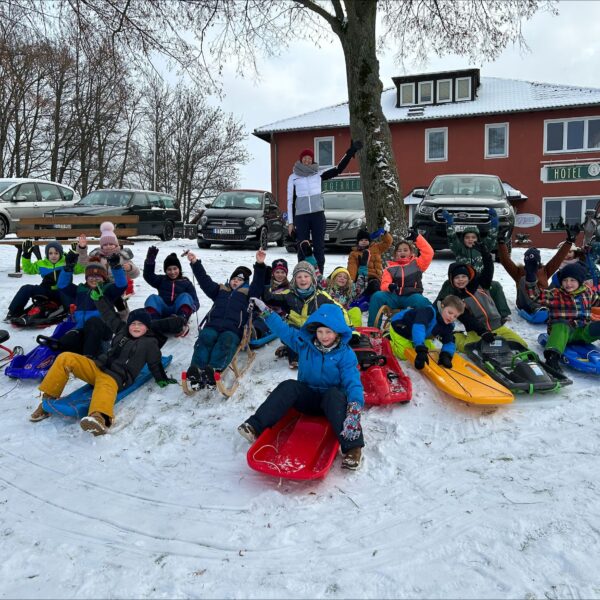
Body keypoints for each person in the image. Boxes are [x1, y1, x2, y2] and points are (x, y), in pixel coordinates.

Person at [238, 300, 364, 470]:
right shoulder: (305, 345)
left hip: (333, 404)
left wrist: (355, 406)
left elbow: (353, 382)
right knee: (289, 385)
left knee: (334, 394)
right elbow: (284, 331)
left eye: (328, 332)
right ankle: (255, 426)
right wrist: (266, 312)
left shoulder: (345, 354)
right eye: (320, 331)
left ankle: (353, 448)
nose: (323, 336)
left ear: (338, 333)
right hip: (309, 398)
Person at [30, 299, 176, 435]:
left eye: (140, 324)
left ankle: (99, 418)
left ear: (147, 327)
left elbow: (155, 363)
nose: (136, 327)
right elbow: (109, 316)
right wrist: (99, 299)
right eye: (133, 324)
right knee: (66, 358)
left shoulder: (150, 344)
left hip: (117, 377)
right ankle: (47, 402)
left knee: (104, 387)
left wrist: (161, 379)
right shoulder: (122, 330)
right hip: (97, 366)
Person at [185, 250, 267, 387]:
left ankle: (214, 368)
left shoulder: (249, 294)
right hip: (212, 325)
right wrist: (195, 263)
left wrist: (259, 264)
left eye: (240, 280)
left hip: (233, 330)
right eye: (234, 279)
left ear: (245, 283)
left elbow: (258, 284)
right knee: (205, 337)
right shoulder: (220, 290)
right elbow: (204, 280)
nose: (236, 282)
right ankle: (197, 368)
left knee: (226, 340)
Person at [287, 141, 363, 274]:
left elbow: (338, 169)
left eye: (309, 158)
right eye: (304, 158)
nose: (307, 160)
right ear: (300, 160)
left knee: (319, 247)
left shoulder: (318, 174)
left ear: (312, 160)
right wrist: (291, 223)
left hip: (317, 215)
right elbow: (290, 200)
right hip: (301, 216)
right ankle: (302, 274)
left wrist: (351, 151)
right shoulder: (293, 178)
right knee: (302, 246)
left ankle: (319, 274)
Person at [436, 243, 527, 353]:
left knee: (522, 345)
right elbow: (468, 319)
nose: (460, 280)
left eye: (463, 276)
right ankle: (456, 337)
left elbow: (488, 269)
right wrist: (483, 332)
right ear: (451, 280)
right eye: (457, 277)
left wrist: (485, 254)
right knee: (469, 348)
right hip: (476, 331)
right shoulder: (457, 299)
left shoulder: (481, 285)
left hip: (498, 328)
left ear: (469, 277)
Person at [525, 252, 600, 374]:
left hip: (582, 332)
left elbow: (598, 302)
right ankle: (552, 358)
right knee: (562, 324)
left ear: (580, 281)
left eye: (572, 280)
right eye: (565, 280)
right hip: (563, 332)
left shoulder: (588, 293)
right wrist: (530, 276)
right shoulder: (556, 294)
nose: (568, 284)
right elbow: (535, 296)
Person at [265, 261, 342, 368]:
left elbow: (339, 309)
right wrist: (264, 279)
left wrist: (349, 328)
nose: (303, 279)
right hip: (295, 329)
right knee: (295, 336)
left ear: (312, 279)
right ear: (294, 280)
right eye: (299, 277)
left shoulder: (321, 296)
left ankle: (294, 351)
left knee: (320, 342)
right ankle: (294, 358)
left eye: (306, 276)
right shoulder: (288, 295)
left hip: (313, 329)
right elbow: (268, 298)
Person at [53, 251, 128, 357]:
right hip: (81, 329)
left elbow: (122, 285)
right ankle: (66, 360)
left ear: (104, 278)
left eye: (98, 276)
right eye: (91, 276)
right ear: (86, 278)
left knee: (93, 322)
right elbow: (62, 285)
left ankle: (88, 359)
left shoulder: (107, 290)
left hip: (101, 331)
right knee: (68, 340)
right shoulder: (80, 290)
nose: (94, 279)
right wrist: (68, 268)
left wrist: (116, 267)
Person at [440, 208, 510, 320]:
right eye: (467, 237)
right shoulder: (459, 249)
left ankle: (503, 313)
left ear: (478, 238)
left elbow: (492, 237)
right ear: (463, 239)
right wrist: (449, 224)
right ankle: (440, 307)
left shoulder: (482, 248)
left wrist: (494, 224)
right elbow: (452, 238)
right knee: (447, 284)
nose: (470, 240)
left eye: (473, 237)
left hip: (479, 283)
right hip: (462, 283)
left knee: (496, 285)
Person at [5, 236, 87, 322]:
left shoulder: (66, 261)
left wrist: (78, 254)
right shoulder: (42, 264)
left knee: (67, 295)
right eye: (50, 253)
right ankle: (13, 312)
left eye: (56, 253)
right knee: (26, 288)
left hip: (62, 292)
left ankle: (71, 313)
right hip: (46, 291)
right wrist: (26, 255)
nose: (53, 256)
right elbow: (28, 269)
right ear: (47, 254)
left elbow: (80, 269)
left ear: (61, 253)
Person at [497, 226, 575, 313]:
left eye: (534, 263)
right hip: (525, 303)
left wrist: (569, 242)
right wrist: (501, 242)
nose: (531, 266)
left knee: (558, 279)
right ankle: (537, 308)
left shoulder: (544, 271)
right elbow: (505, 260)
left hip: (543, 300)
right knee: (523, 280)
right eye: (529, 263)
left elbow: (558, 258)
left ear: (538, 262)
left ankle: (569, 303)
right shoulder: (518, 272)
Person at [367, 230, 434, 327]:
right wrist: (389, 286)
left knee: (422, 302)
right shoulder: (390, 268)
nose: (402, 252)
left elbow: (429, 253)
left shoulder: (417, 264)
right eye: (399, 250)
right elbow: (384, 284)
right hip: (394, 297)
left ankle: (430, 327)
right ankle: (373, 329)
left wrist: (417, 238)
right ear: (395, 254)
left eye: (405, 250)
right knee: (377, 296)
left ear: (411, 252)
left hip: (411, 296)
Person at [388, 295, 465, 369]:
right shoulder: (429, 312)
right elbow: (419, 327)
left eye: (455, 316)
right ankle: (388, 339)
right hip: (401, 328)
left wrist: (446, 355)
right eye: (450, 313)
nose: (451, 317)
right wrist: (420, 349)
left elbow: (449, 340)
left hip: (419, 334)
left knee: (432, 351)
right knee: (404, 354)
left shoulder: (448, 324)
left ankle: (415, 343)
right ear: (442, 306)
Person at [143, 247, 199, 337]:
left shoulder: (186, 283)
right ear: (165, 271)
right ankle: (154, 322)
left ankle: (181, 321)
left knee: (185, 296)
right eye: (169, 269)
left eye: (175, 268)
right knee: (153, 298)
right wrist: (150, 261)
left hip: (178, 313)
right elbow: (148, 276)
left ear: (179, 269)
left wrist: (191, 307)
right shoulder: (162, 280)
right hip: (163, 310)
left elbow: (195, 301)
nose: (172, 272)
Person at [347, 225, 393, 298]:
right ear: (358, 242)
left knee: (380, 285)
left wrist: (384, 234)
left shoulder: (376, 248)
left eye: (366, 240)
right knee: (372, 286)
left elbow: (388, 242)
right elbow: (352, 267)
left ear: (369, 241)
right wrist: (351, 280)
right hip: (363, 278)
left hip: (377, 277)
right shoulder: (354, 254)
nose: (364, 242)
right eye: (361, 240)